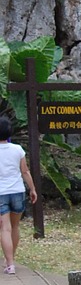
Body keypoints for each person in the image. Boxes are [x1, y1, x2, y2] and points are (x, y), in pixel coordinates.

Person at [0, 116, 38, 275]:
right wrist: (33, 189)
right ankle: (11, 260)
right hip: (17, 191)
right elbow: (25, 171)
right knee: (15, 227)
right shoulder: (18, 150)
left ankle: (9, 264)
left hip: (1, 193)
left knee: (5, 228)